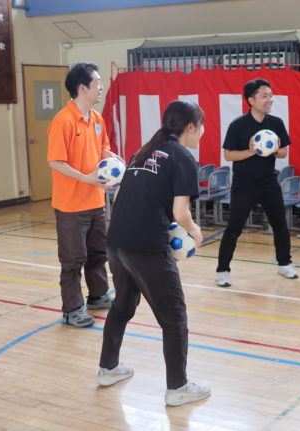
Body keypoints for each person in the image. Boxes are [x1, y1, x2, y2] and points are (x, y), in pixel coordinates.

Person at [97, 100, 212, 407]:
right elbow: (180, 212)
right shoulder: (182, 156)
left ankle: (108, 369)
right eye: (201, 125)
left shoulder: (143, 151)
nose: (203, 131)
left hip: (116, 241)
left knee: (122, 306)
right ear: (190, 127)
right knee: (174, 317)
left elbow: (121, 197)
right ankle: (178, 388)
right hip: (146, 247)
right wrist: (194, 230)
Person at [47, 62, 121, 328]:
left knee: (98, 253)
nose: (101, 87)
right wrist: (87, 178)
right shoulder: (63, 121)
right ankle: (72, 310)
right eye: (97, 82)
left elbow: (102, 148)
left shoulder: (96, 118)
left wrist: (113, 160)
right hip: (70, 205)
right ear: (82, 88)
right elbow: (56, 161)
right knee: (72, 260)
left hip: (95, 201)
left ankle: (98, 296)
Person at [215, 78, 298, 287]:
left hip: (269, 182)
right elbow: (228, 155)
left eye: (271, 95)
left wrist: (271, 150)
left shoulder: (276, 123)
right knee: (234, 228)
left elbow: (284, 152)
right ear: (251, 100)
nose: (269, 99)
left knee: (280, 225)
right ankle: (223, 270)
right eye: (264, 96)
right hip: (244, 184)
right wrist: (252, 151)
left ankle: (285, 263)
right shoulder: (238, 125)